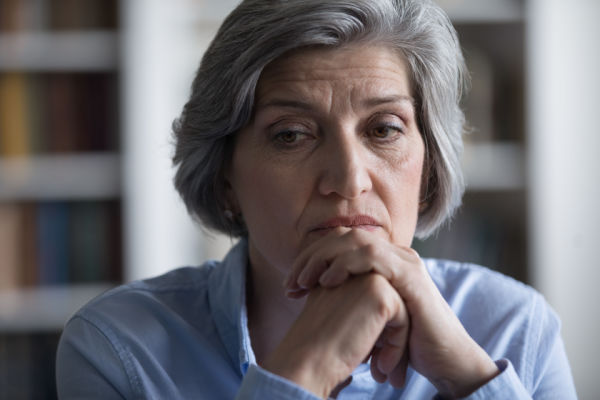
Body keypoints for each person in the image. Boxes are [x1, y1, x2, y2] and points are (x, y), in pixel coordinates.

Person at [56, 0, 577, 398]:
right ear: (225, 178)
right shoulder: (120, 348)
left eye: (384, 129)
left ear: (430, 163)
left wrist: (472, 381)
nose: (350, 180)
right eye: (291, 135)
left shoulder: (513, 327)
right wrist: (308, 366)